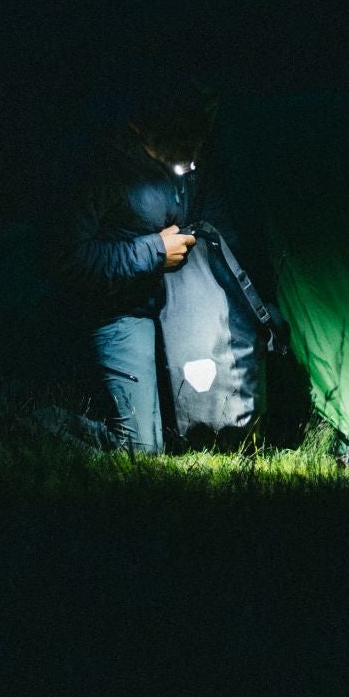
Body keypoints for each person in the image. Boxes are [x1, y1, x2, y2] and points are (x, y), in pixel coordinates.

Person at [51, 83, 216, 455]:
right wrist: (155, 251)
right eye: (183, 142)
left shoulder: (185, 163)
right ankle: (25, 415)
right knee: (141, 450)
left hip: (168, 307)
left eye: (199, 144)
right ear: (146, 126)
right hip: (116, 313)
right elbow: (65, 260)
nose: (192, 156)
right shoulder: (98, 170)